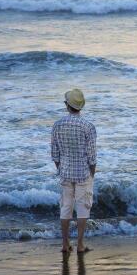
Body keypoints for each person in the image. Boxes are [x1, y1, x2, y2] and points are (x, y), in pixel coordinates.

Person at [51, 88, 97, 253]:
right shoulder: (88, 126)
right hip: (83, 172)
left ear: (66, 105)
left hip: (65, 172)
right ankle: (80, 244)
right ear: (80, 107)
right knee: (83, 208)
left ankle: (65, 244)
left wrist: (61, 168)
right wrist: (92, 173)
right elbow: (91, 156)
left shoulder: (58, 125)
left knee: (65, 208)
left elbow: (55, 154)